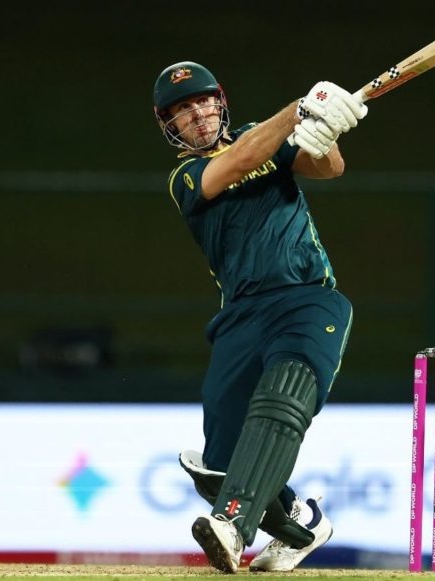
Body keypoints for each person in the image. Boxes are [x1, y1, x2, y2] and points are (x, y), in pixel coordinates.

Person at [151, 61, 368, 573]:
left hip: (307, 299)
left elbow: (329, 167)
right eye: (183, 110)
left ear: (220, 103)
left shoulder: (263, 138)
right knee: (217, 464)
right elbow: (234, 164)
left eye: (203, 101)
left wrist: (324, 128)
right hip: (241, 318)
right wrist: (298, 110)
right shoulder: (186, 176)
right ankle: (301, 524)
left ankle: (233, 525)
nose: (197, 114)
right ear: (171, 127)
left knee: (282, 397)